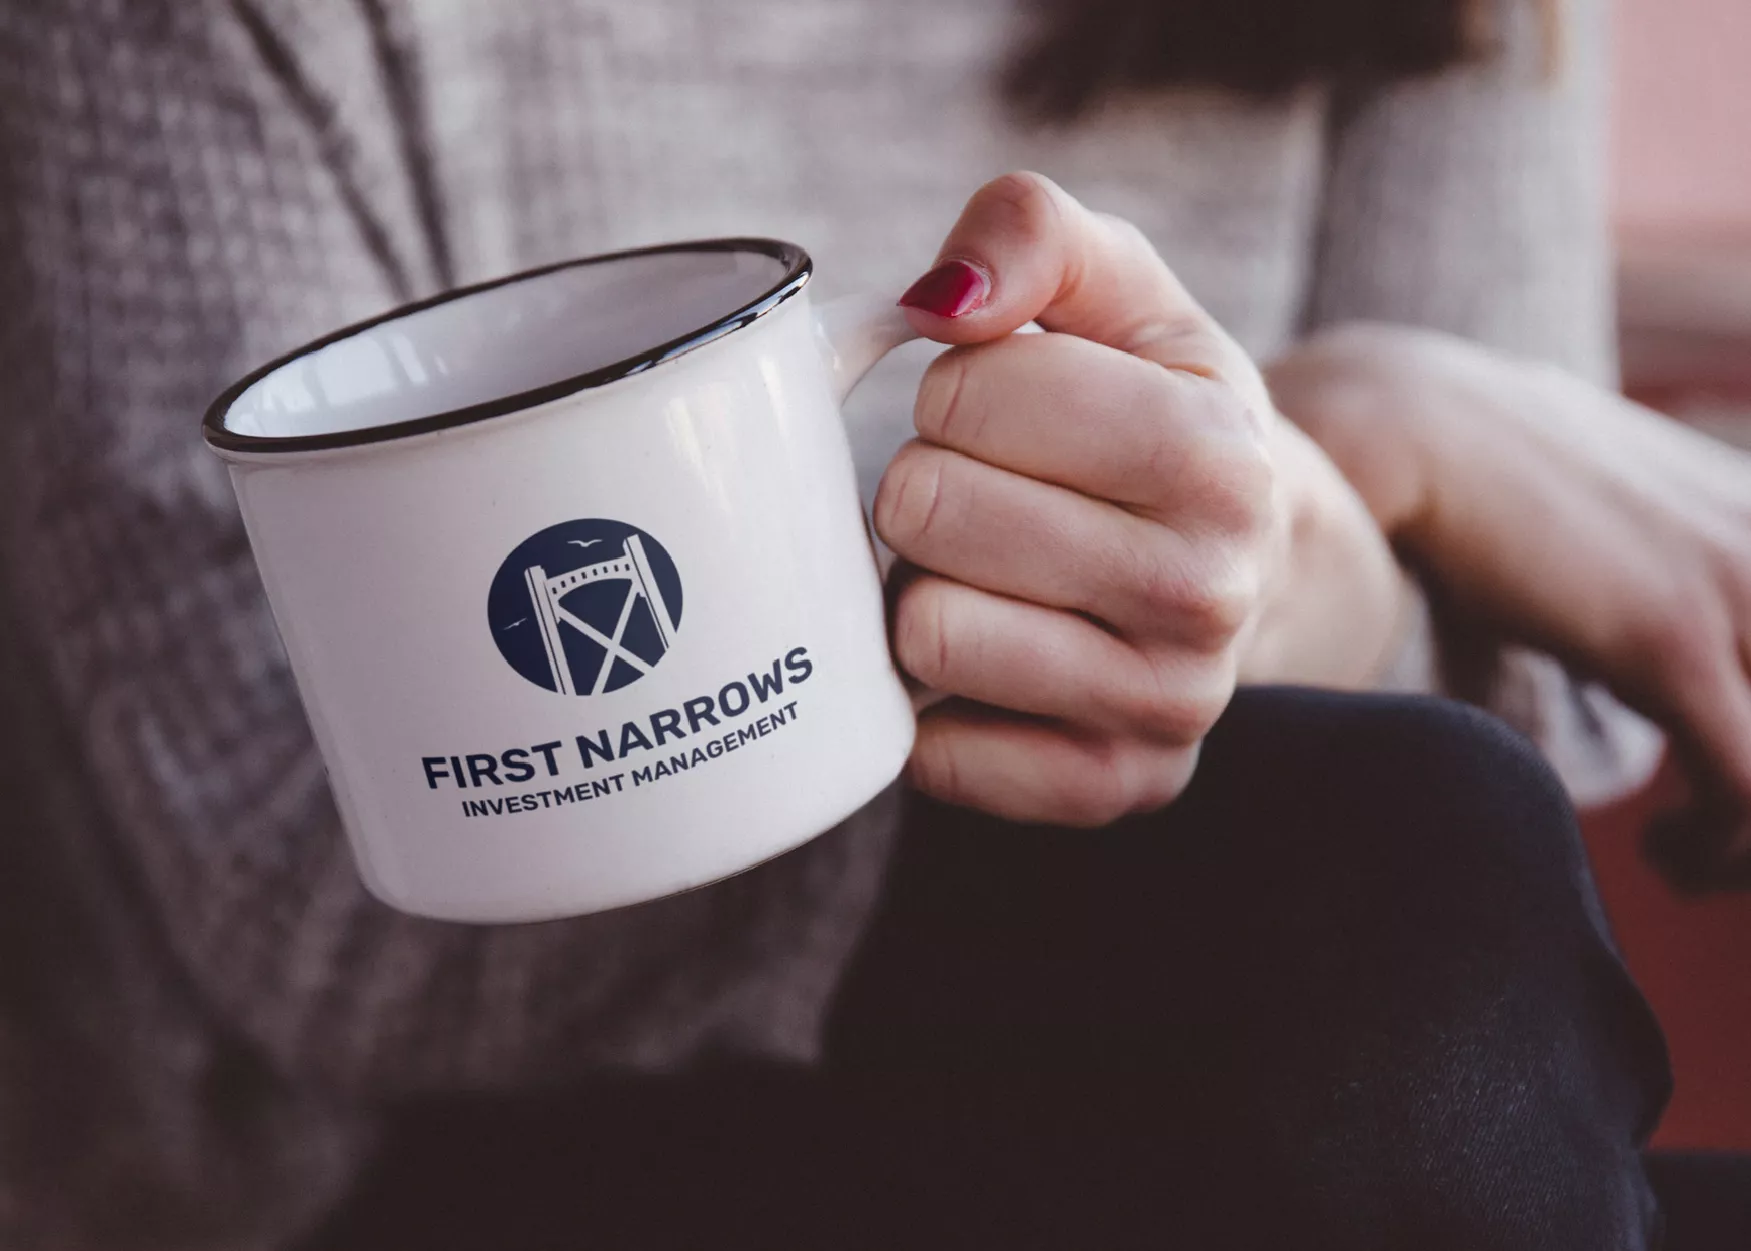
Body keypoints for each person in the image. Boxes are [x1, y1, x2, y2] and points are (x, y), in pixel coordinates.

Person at [0, 0, 1746, 1247]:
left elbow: (1539, 695)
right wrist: (1377, 443)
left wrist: (1289, 542)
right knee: (1411, 891)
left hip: (1244, 1008)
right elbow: (305, 907)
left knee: (1417, 887)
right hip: (396, 1151)